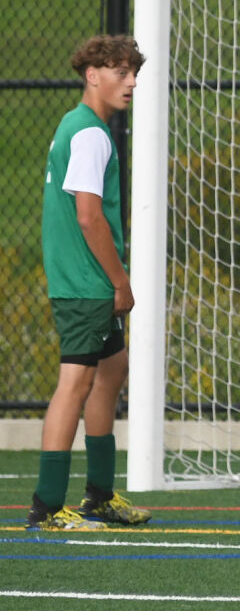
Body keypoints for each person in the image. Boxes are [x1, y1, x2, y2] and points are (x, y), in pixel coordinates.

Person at [29, 35, 153, 531]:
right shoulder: (90, 134)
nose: (132, 82)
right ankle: (46, 506)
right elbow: (88, 216)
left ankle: (99, 495)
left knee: (111, 369)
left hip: (85, 280)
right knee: (74, 384)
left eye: (133, 72)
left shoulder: (79, 126)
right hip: (87, 283)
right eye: (120, 72)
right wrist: (120, 282)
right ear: (92, 75)